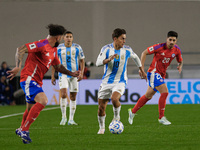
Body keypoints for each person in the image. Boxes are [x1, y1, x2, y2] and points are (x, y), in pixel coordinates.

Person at [7, 24, 80, 144]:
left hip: (37, 81)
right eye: (61, 37)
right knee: (43, 100)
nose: (61, 39)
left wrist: (72, 73)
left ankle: (21, 129)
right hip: (29, 79)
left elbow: (58, 66)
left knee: (30, 109)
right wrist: (17, 67)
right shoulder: (42, 44)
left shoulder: (54, 50)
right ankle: (25, 130)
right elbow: (20, 49)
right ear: (57, 37)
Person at [96, 28, 146, 134]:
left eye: (125, 39)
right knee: (101, 108)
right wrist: (108, 60)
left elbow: (136, 57)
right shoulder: (106, 49)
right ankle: (101, 128)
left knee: (114, 99)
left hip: (120, 81)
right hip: (106, 82)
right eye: (122, 39)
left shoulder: (127, 50)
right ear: (115, 39)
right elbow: (98, 63)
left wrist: (141, 70)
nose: (124, 41)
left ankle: (116, 117)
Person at [128, 31, 183, 125]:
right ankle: (161, 117)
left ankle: (132, 112)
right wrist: (141, 69)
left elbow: (180, 60)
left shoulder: (177, 49)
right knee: (165, 92)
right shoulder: (159, 47)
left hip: (161, 74)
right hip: (153, 73)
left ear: (176, 41)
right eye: (170, 40)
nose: (171, 42)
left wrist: (180, 66)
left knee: (148, 96)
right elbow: (144, 53)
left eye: (174, 40)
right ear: (167, 39)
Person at [51, 31, 85, 125]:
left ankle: (71, 119)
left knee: (73, 96)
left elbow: (82, 61)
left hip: (74, 75)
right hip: (63, 74)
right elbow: (54, 62)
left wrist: (81, 73)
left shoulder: (77, 47)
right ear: (64, 38)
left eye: (70, 36)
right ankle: (63, 117)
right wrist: (53, 75)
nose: (69, 38)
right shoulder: (59, 48)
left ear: (72, 38)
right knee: (63, 94)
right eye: (67, 36)